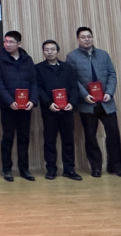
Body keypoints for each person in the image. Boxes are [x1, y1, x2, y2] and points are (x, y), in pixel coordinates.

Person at [66, 27, 121, 178]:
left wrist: (109, 92)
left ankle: (116, 167)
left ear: (92, 38)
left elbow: (112, 74)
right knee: (90, 136)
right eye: (83, 37)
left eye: (89, 36)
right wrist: (85, 95)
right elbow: (72, 79)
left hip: (107, 102)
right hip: (87, 104)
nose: (86, 39)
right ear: (77, 39)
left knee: (113, 133)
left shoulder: (103, 54)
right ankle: (96, 167)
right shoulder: (72, 57)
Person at [0, 30, 38, 182]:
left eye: (11, 42)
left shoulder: (27, 60)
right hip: (8, 106)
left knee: (24, 137)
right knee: (8, 137)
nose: (7, 44)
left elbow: (34, 82)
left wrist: (33, 100)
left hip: (26, 106)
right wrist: (9, 101)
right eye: (5, 41)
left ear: (19, 43)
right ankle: (7, 169)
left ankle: (24, 169)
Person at [35, 40, 81, 181]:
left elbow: (74, 86)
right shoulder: (38, 68)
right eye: (46, 50)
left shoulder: (67, 67)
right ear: (43, 52)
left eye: (52, 49)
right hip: (49, 110)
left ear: (57, 51)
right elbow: (38, 88)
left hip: (67, 110)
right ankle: (51, 169)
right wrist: (48, 103)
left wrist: (72, 103)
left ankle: (69, 169)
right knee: (50, 140)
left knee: (68, 140)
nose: (50, 52)